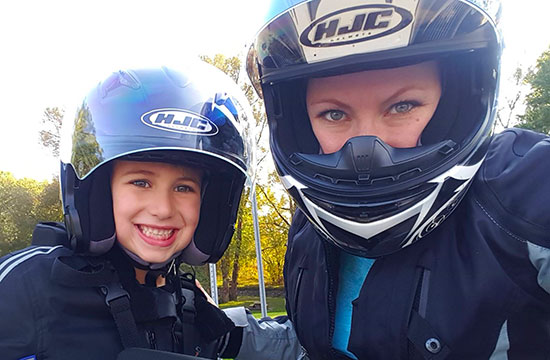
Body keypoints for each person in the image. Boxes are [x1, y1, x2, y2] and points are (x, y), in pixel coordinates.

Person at [225, 0, 550, 359]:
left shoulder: (525, 185)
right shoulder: (308, 230)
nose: (365, 149)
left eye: (402, 106)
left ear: (456, 103)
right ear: (300, 126)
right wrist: (227, 334)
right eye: (334, 113)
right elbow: (317, 345)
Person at [0, 60, 254, 359]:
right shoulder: (25, 287)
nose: (162, 209)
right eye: (141, 182)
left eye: (184, 188)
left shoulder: (188, 303)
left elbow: (270, 341)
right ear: (97, 193)